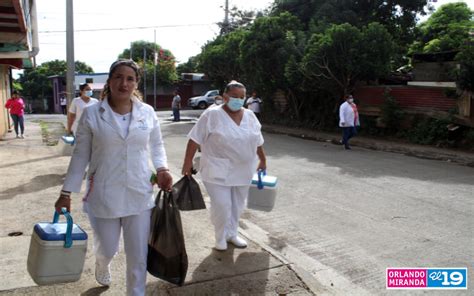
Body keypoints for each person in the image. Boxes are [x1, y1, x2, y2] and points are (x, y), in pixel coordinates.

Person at [54, 59, 173, 296]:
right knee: (108, 247)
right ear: (110, 81)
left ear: (136, 83)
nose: (124, 83)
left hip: (139, 193)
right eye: (118, 77)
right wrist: (66, 192)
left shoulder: (146, 112)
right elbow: (80, 157)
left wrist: (162, 168)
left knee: (138, 255)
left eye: (130, 78)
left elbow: (157, 145)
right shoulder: (92, 114)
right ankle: (102, 262)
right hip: (104, 193)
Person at [181, 80, 267, 251]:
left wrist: (262, 160)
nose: (238, 100)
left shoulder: (249, 116)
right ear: (225, 96)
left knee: (237, 205)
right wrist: (187, 163)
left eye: (242, 97)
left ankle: (232, 233)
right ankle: (220, 236)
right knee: (222, 204)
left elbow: (257, 140)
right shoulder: (212, 115)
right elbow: (194, 139)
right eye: (234, 96)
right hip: (216, 169)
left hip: (243, 169)